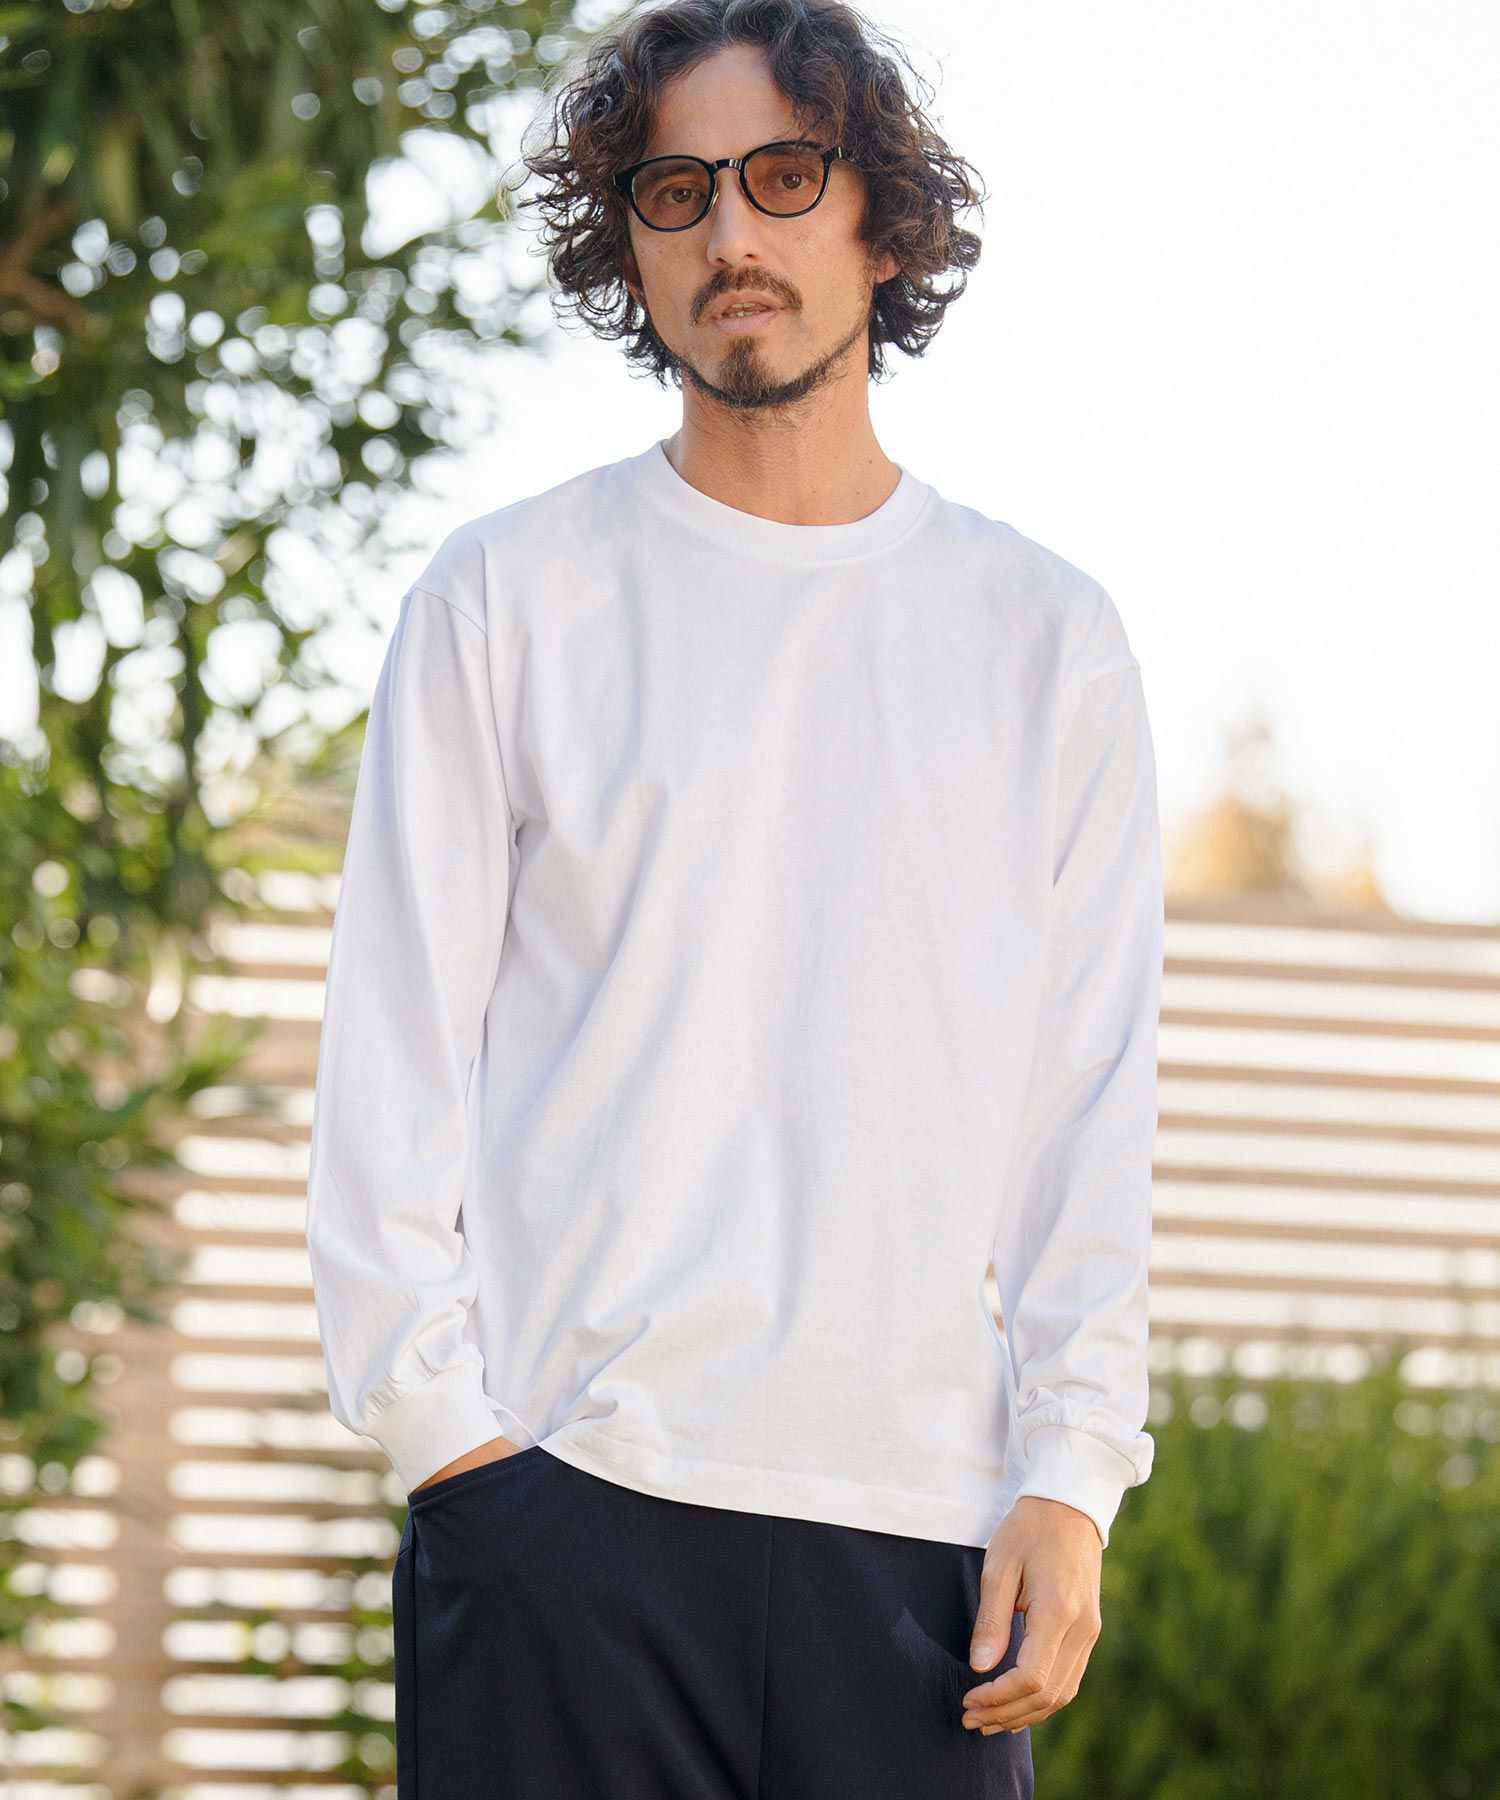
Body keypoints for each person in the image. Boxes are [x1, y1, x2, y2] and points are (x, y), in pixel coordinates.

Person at [305, 2, 1164, 1794]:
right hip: (566, 1518)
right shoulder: (507, 599)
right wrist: (451, 1453)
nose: (730, 234)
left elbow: (1088, 1099)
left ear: (882, 219)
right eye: (677, 191)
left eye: (784, 175)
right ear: (628, 245)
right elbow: (389, 1066)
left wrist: (1072, 1475)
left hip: (921, 1550)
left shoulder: (1046, 643)